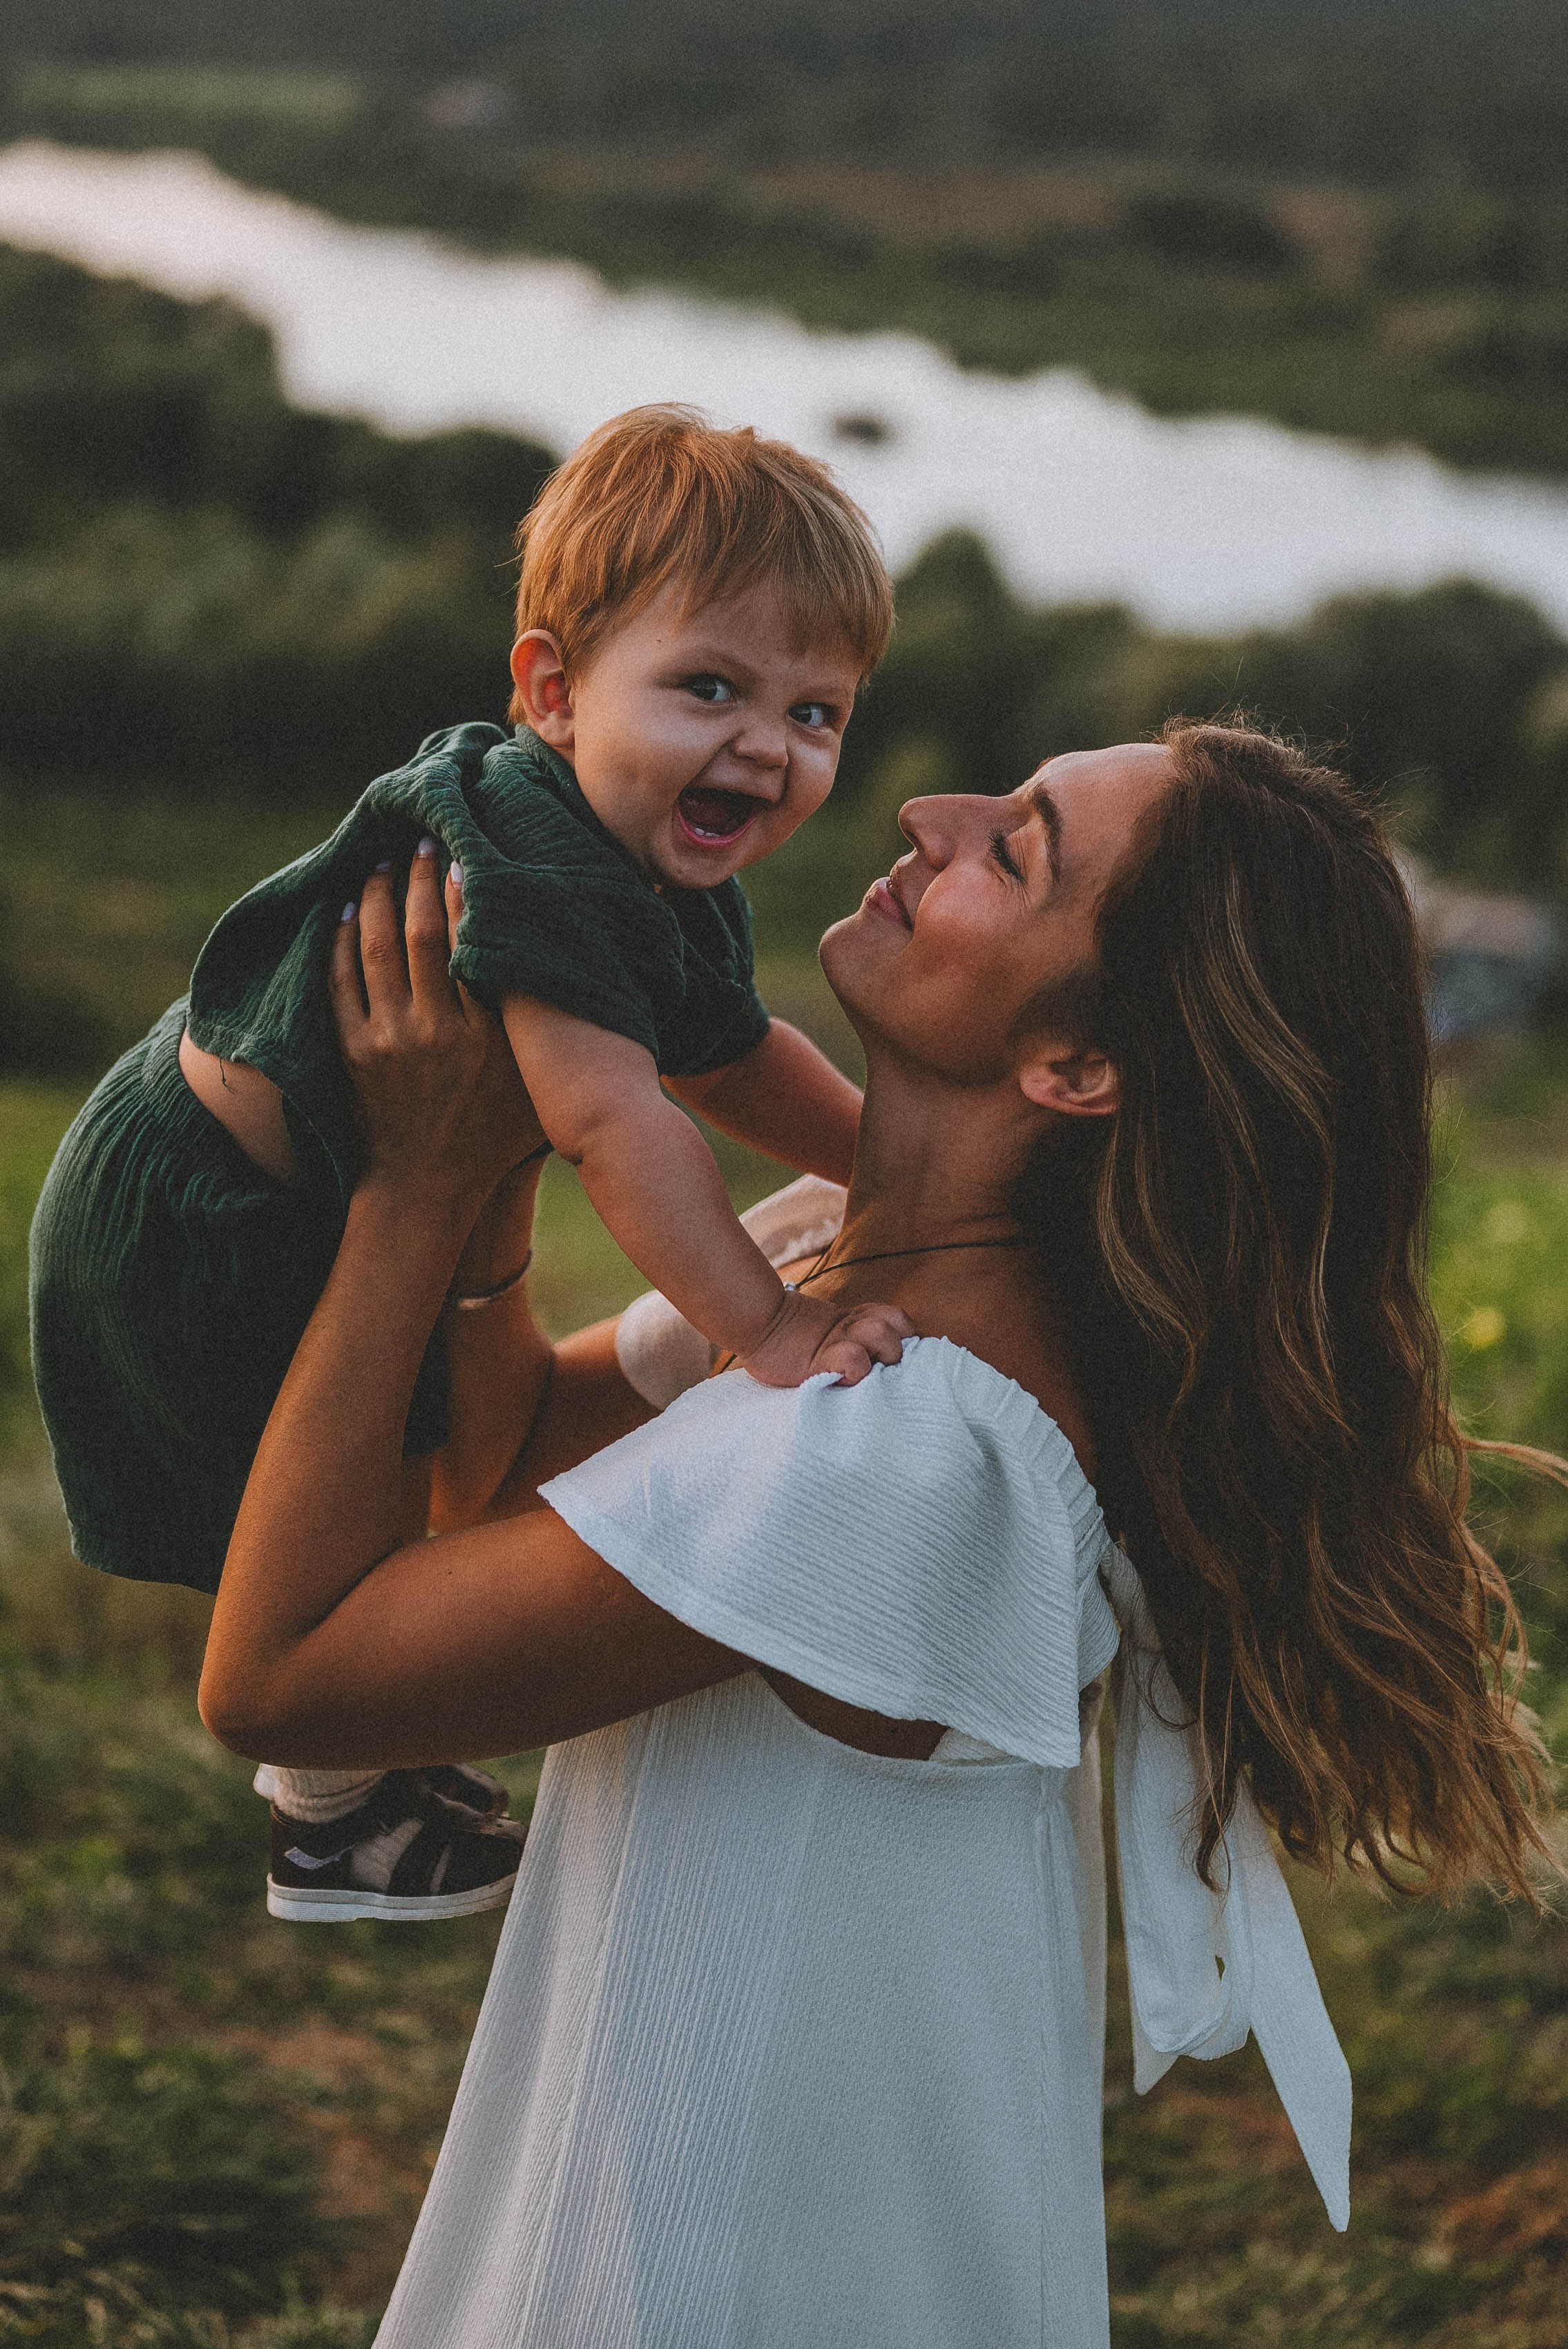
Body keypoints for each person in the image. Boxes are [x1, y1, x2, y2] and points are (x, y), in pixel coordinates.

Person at [199, 721, 1553, 2348]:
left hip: (698, 2280)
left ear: (1078, 1068)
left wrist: (409, 1193)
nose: (930, 811)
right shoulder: (826, 1283)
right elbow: (502, 1481)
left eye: (1017, 849)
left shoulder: (905, 1451)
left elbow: (284, 1680)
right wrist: (505, 1138)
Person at [30, 405, 910, 1922]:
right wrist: (768, 1330)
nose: (765, 746)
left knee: (440, 1432)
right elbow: (614, 1120)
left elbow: (725, 1051)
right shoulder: (542, 857)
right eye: (709, 687)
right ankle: (334, 1815)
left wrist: (896, 1168)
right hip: (207, 1210)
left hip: (275, 1172)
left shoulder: (654, 861)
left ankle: (367, 1777)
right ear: (555, 692)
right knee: (352, 1496)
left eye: (815, 714)